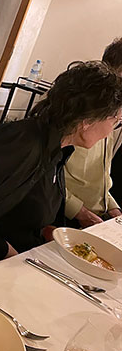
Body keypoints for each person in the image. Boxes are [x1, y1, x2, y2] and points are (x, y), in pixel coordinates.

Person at [0, 62, 122, 285]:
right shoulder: (23, 144)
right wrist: (11, 255)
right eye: (114, 121)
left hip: (12, 261)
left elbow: (26, 212)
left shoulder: (57, 150)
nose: (109, 133)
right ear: (87, 122)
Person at [65, 39, 122, 228]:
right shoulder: (75, 105)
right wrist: (80, 212)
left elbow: (101, 175)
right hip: (64, 214)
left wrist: (113, 208)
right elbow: (44, 176)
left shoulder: (111, 112)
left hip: (96, 214)